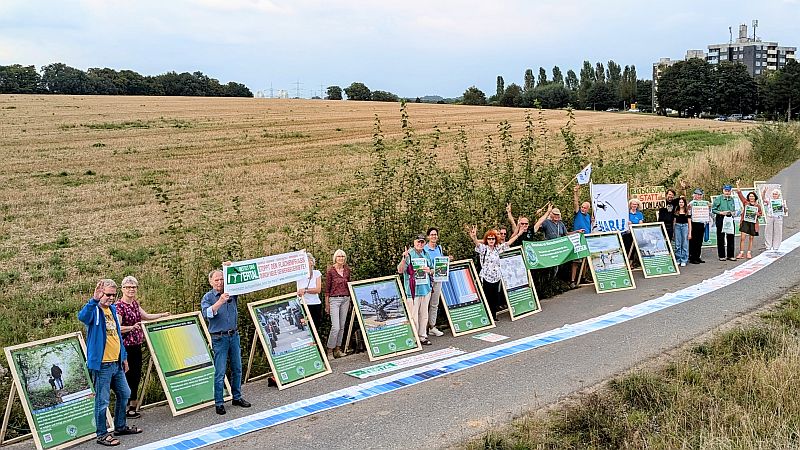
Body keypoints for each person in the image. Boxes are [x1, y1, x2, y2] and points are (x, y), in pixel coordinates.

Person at [78, 279, 142, 446]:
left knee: (125, 393)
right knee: (102, 401)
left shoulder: (112, 310)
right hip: (102, 365)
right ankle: (101, 434)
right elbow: (82, 316)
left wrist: (124, 357)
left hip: (116, 363)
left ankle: (120, 426)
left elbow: (117, 336)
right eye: (107, 295)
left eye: (113, 295)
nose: (111, 298)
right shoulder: (94, 311)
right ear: (100, 293)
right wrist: (94, 300)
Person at [115, 276, 170, 419]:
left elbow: (145, 316)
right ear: (122, 289)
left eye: (133, 287)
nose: (131, 289)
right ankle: (125, 408)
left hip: (137, 345)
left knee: (136, 376)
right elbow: (117, 328)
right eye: (128, 287)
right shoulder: (119, 306)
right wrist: (131, 327)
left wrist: (162, 315)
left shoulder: (134, 304)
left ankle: (133, 405)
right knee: (127, 377)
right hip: (125, 347)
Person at [201, 268, 251, 415]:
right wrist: (220, 301)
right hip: (219, 337)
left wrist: (231, 267)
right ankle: (219, 402)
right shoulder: (208, 297)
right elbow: (208, 314)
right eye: (216, 280)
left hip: (233, 335)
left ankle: (237, 396)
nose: (220, 282)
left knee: (237, 368)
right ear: (211, 282)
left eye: (222, 279)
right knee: (220, 371)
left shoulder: (231, 291)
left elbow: (242, 281)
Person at [467, 225, 521, 318]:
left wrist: (519, 234)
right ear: (486, 240)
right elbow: (477, 244)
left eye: (493, 239)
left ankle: (494, 315)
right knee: (487, 296)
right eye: (489, 239)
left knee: (495, 297)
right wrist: (474, 237)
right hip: (487, 277)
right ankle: (488, 316)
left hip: (496, 277)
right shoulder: (484, 249)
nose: (491, 240)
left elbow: (508, 243)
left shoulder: (497, 249)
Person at [398, 235, 434, 346]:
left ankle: (423, 336)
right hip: (412, 291)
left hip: (425, 289)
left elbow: (433, 270)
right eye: (418, 241)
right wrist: (404, 259)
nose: (420, 244)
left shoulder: (426, 254)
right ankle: (414, 337)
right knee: (414, 316)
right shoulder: (409, 254)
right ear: (414, 242)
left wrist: (429, 270)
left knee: (424, 315)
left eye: (422, 242)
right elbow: (400, 270)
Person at [325, 249, 351, 358]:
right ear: (335, 258)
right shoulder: (331, 271)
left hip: (346, 299)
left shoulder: (347, 270)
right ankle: (329, 351)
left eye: (343, 256)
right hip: (334, 300)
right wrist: (327, 305)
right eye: (339, 256)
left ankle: (337, 349)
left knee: (342, 326)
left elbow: (349, 285)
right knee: (335, 327)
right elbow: (327, 289)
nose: (341, 258)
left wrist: (350, 300)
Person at [423, 228, 447, 337]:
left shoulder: (439, 248)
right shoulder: (424, 249)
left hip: (438, 279)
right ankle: (422, 329)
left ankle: (432, 326)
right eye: (432, 235)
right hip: (427, 281)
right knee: (424, 305)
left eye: (435, 235)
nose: (434, 236)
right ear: (428, 236)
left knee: (434, 304)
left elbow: (441, 263)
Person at [570, 184, 593, 288]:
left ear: (588, 209)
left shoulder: (588, 216)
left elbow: (589, 227)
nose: (583, 209)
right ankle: (572, 280)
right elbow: (575, 203)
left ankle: (583, 277)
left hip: (586, 238)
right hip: (577, 238)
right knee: (576, 260)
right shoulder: (578, 213)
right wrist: (575, 192)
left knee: (585, 259)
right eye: (582, 207)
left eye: (585, 208)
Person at [734, 182, 762, 259]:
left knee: (751, 238)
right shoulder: (745, 203)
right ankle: (741, 252)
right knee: (742, 238)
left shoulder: (757, 206)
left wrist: (758, 214)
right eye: (750, 196)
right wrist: (737, 185)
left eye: (752, 196)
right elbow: (740, 194)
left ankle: (749, 252)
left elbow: (760, 214)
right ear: (748, 197)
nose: (751, 197)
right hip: (745, 222)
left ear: (755, 197)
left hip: (753, 223)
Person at [296, 252, 323, 333]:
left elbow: (318, 290)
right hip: (303, 304)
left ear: (312, 262)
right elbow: (299, 292)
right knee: (306, 327)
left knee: (315, 327)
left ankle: (316, 344)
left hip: (315, 304)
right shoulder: (298, 274)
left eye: (309, 260)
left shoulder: (317, 273)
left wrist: (306, 290)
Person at [711, 184, 737, 261]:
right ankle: (722, 255)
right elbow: (713, 209)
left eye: (729, 191)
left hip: (729, 218)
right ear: (723, 191)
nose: (727, 192)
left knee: (731, 237)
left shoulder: (732, 199)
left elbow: (733, 208)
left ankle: (730, 255)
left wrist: (733, 212)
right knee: (720, 237)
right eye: (726, 191)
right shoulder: (719, 198)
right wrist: (721, 212)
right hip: (721, 218)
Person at [763, 187, 788, 252]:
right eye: (773, 194)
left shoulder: (781, 201)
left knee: (778, 231)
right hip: (770, 216)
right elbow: (763, 199)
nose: (774, 195)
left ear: (778, 195)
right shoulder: (769, 200)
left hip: (778, 217)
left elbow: (785, 211)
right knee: (768, 231)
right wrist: (764, 192)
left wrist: (784, 207)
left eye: (776, 194)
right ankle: (768, 245)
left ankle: (776, 246)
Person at [688, 188, 709, 264]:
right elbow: (689, 213)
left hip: (702, 223)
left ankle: (697, 256)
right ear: (694, 195)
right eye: (698, 195)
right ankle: (692, 257)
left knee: (700, 241)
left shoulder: (704, 203)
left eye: (700, 195)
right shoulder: (692, 203)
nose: (699, 196)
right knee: (694, 241)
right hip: (694, 223)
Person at [622, 198, 644, 263]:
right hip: (627, 233)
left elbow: (641, 223)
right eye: (633, 204)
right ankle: (627, 262)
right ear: (630, 205)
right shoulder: (626, 213)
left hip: (636, 233)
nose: (634, 206)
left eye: (636, 204)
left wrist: (633, 224)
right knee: (627, 247)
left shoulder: (639, 214)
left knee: (634, 248)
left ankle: (631, 262)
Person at [673, 197, 691, 267]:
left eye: (682, 202)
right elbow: (674, 222)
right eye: (680, 202)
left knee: (685, 244)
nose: (681, 203)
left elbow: (689, 222)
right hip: (677, 227)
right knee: (677, 244)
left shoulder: (687, 211)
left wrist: (689, 233)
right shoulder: (676, 211)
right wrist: (674, 232)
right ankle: (678, 259)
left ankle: (684, 259)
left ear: (684, 203)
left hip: (685, 227)